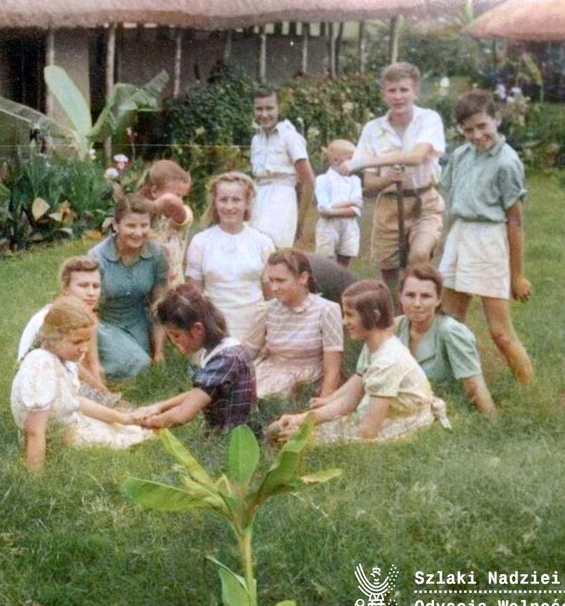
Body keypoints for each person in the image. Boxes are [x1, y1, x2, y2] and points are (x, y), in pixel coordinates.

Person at [270, 279, 449, 445]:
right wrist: (303, 418)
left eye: (349, 315)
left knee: (292, 438)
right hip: (380, 416)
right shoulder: (373, 345)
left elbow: (367, 433)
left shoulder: (388, 361)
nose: (344, 321)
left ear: (374, 315)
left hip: (402, 421)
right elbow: (350, 400)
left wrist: (311, 439)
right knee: (281, 428)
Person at [438, 90, 534, 385]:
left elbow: (515, 221)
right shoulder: (460, 155)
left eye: (482, 126)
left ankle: (528, 388)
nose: (477, 135)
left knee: (500, 332)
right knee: (449, 322)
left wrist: (516, 276)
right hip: (460, 237)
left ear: (496, 119)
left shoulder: (507, 162)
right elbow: (452, 206)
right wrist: (443, 246)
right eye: (468, 129)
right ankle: (453, 382)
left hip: (489, 240)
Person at [11, 296, 152, 471]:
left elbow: (74, 401)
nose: (84, 348)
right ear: (53, 339)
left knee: (131, 427)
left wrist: (122, 418)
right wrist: (34, 476)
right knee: (131, 438)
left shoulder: (63, 358)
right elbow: (34, 431)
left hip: (68, 423)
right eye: (77, 342)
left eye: (87, 341)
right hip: (55, 437)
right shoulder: (42, 365)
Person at [342, 62, 446, 293]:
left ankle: (423, 311)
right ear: (384, 94)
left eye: (404, 90)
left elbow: (416, 157)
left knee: (419, 256)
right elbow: (369, 186)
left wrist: (362, 162)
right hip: (388, 208)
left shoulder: (428, 119)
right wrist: (387, 178)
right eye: (392, 90)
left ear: (415, 91)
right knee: (389, 276)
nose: (398, 97)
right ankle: (398, 319)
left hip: (423, 202)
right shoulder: (372, 129)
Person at [131, 285, 257, 433]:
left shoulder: (226, 360)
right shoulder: (222, 350)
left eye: (176, 335)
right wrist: (158, 407)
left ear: (197, 330)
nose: (174, 341)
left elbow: (182, 415)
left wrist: (148, 422)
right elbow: (199, 393)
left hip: (234, 441)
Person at [395, 264, 496, 416]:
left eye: (425, 296)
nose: (417, 304)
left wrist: (493, 423)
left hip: (446, 408)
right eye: (410, 295)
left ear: (438, 300)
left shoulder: (450, 331)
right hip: (403, 407)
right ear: (400, 297)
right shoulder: (395, 327)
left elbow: (475, 384)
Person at [243, 250, 343, 400]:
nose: (274, 287)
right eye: (271, 281)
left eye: (281, 281)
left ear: (302, 278)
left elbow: (332, 368)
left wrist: (322, 405)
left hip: (305, 382)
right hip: (268, 374)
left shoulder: (326, 310)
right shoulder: (266, 310)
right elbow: (247, 353)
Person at [185, 171, 274, 340]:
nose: (229, 206)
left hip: (254, 326)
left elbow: (270, 295)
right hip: (215, 326)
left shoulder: (263, 242)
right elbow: (194, 295)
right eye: (223, 200)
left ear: (247, 203)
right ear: (215, 202)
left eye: (236, 200)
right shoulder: (200, 242)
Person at [89, 193, 169, 380]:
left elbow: (160, 304)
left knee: (143, 362)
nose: (138, 232)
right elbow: (87, 311)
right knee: (139, 364)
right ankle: (86, 367)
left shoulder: (157, 254)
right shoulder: (97, 256)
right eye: (131, 225)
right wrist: (94, 363)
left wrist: (159, 353)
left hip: (137, 320)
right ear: (116, 225)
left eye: (144, 225)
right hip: (104, 322)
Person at [17, 255, 109, 394]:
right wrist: (100, 391)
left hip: (67, 375)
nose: (91, 293)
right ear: (66, 287)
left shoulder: (86, 315)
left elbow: (93, 363)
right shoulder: (56, 316)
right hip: (42, 383)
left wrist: (103, 390)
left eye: (96, 286)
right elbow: (75, 366)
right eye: (83, 286)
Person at [250, 87, 315, 249]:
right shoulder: (256, 139)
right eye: (259, 109)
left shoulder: (290, 136)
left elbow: (308, 181)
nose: (264, 114)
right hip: (258, 197)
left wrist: (300, 222)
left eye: (269, 108)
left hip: (282, 198)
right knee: (252, 246)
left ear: (279, 108)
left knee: (274, 247)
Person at [140, 159, 194, 286]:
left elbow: (171, 202)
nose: (180, 200)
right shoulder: (141, 217)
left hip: (173, 285)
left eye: (182, 196)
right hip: (146, 282)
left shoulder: (184, 212)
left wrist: (155, 206)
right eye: (177, 195)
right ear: (154, 191)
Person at [314, 139, 363, 267]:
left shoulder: (354, 180)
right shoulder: (322, 180)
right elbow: (323, 209)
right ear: (336, 160)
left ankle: (343, 284)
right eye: (350, 158)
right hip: (328, 227)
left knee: (344, 260)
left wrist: (333, 208)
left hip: (349, 227)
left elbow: (357, 207)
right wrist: (350, 203)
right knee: (326, 260)